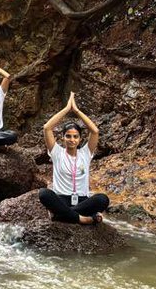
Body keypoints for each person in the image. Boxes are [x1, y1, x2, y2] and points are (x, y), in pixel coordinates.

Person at [39, 93, 109, 224]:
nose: (72, 140)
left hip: (82, 200)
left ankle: (61, 215)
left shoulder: (86, 153)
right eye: (68, 136)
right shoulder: (56, 152)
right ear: (63, 138)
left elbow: (95, 131)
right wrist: (66, 109)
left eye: (75, 136)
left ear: (80, 139)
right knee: (43, 193)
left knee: (102, 199)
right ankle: (82, 218)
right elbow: (47, 128)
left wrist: (76, 110)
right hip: (62, 199)